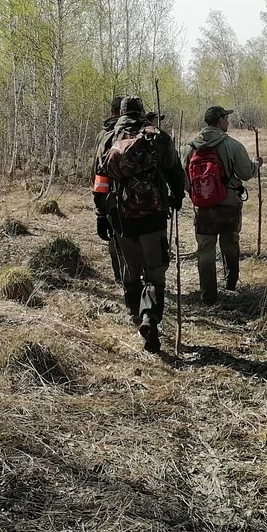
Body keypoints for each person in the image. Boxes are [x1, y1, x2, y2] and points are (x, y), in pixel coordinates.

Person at [93, 96, 185, 353]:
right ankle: (150, 318)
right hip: (154, 214)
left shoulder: (108, 138)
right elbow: (176, 170)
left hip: (121, 217)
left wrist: (101, 214)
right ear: (143, 112)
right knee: (155, 271)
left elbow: (99, 179)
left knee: (130, 270)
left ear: (120, 113)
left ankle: (136, 316)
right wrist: (177, 196)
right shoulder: (159, 136)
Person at [182, 106, 261, 305]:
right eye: (226, 118)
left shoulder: (190, 147)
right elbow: (245, 173)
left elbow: (183, 179)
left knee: (205, 250)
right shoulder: (232, 145)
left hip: (203, 208)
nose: (229, 121)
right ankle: (231, 284)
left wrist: (197, 194)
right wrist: (256, 165)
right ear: (220, 121)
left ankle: (208, 295)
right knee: (229, 245)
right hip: (229, 205)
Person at [96, 96, 124, 282]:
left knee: (115, 237)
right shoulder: (142, 132)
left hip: (111, 198)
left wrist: (100, 211)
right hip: (140, 199)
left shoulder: (103, 136)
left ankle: (120, 276)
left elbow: (97, 174)